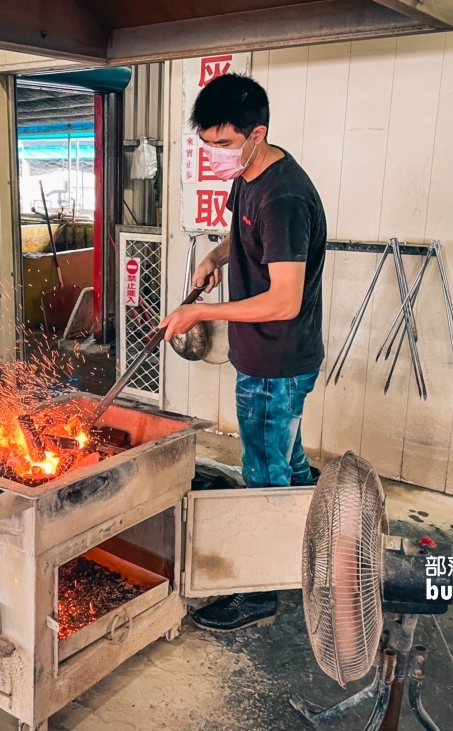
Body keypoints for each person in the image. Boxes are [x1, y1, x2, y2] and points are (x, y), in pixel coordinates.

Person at [160, 73, 326, 632]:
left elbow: (283, 301)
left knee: (263, 476)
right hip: (264, 356)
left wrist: (200, 312)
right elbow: (242, 234)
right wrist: (215, 257)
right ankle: (316, 539)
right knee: (290, 462)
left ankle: (261, 592)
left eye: (226, 145)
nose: (216, 156)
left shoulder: (284, 195)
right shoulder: (250, 179)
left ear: (258, 133)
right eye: (208, 146)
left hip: (277, 361)